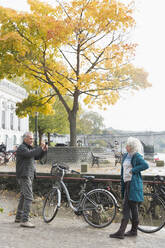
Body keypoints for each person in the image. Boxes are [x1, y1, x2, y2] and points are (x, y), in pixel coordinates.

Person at [109, 137, 149, 239]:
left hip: (133, 184)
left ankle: (121, 232)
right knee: (132, 207)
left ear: (131, 147)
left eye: (127, 145)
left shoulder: (136, 156)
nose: (126, 146)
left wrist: (134, 170)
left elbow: (145, 165)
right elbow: (123, 170)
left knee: (127, 207)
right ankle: (133, 231)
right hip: (127, 183)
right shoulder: (126, 156)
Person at [15, 132, 48, 228]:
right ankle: (25, 220)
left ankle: (18, 217)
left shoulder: (29, 148)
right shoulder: (22, 148)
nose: (32, 140)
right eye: (30, 138)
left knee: (23, 196)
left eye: (32, 138)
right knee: (29, 197)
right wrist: (39, 148)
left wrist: (44, 151)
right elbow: (30, 154)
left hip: (28, 175)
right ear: (25, 139)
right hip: (24, 175)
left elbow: (36, 156)